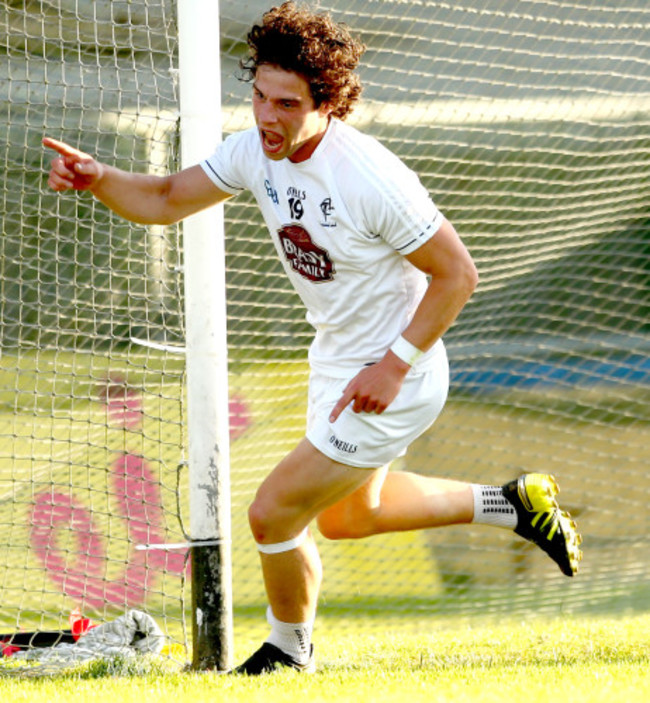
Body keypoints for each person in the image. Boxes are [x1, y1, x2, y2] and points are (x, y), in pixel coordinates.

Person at [44, 1, 582, 676]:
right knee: (351, 518)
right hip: (338, 360)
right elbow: (163, 198)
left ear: (327, 102)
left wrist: (392, 366)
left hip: (396, 373)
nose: (268, 117)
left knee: (273, 511)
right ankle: (516, 502)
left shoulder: (370, 176)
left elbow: (457, 274)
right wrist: (100, 179)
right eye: (260, 96)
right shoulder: (252, 150)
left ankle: (287, 651)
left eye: (288, 103)